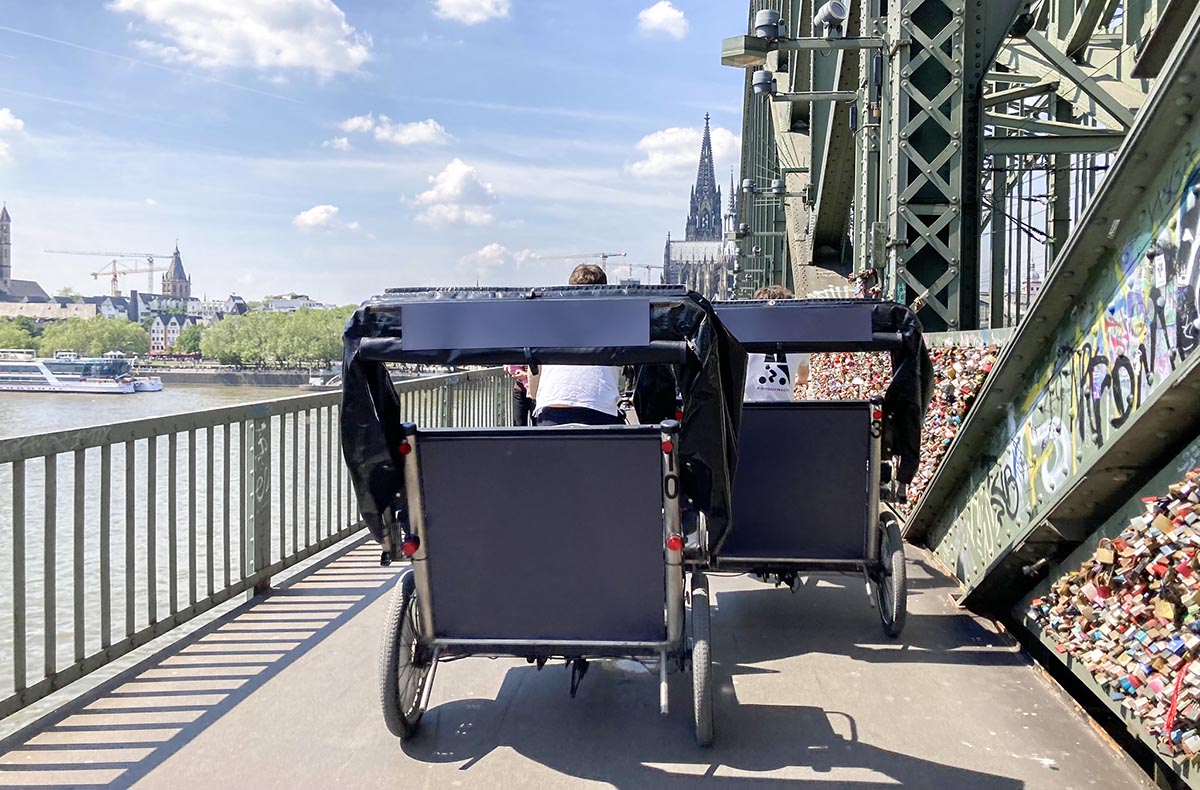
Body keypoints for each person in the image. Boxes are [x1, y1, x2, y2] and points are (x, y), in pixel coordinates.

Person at [533, 264, 624, 426]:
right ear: (604, 292)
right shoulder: (616, 322)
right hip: (598, 411)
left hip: (550, 411)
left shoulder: (548, 325)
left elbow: (533, 386)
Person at [743, 285, 810, 402]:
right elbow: (804, 370)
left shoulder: (744, 340)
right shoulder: (798, 343)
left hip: (750, 407)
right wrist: (802, 379)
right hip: (783, 408)